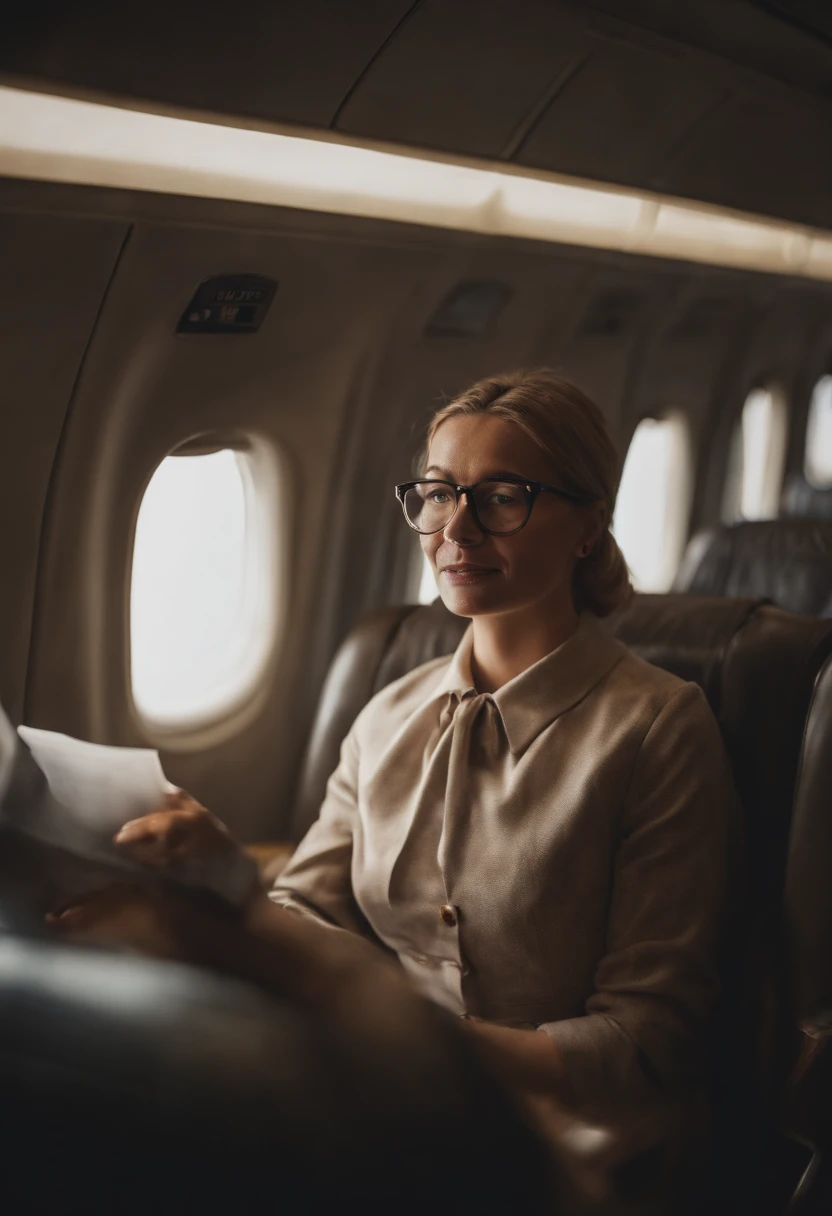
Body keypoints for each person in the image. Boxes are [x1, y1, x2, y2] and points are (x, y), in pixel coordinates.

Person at [52, 371, 741, 1206]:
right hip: (378, 1090)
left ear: (590, 524)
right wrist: (214, 885)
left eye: (501, 498)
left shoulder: (661, 728)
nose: (454, 528)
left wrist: (408, 1038)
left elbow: (643, 1044)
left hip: (571, 1134)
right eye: (439, 493)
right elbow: (304, 913)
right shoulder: (388, 715)